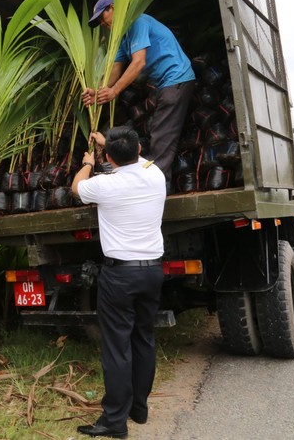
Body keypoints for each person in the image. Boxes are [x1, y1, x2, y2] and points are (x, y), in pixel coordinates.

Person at [71, 127, 166, 438]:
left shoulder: (103, 185)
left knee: (117, 348)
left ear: (109, 157)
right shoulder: (156, 175)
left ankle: (114, 420)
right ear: (139, 150)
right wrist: (109, 148)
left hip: (120, 275)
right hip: (152, 271)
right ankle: (139, 408)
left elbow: (76, 188)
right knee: (143, 339)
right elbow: (134, 164)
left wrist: (88, 161)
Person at [84, 0, 196, 191]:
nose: (103, 23)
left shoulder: (137, 22)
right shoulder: (122, 36)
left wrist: (115, 91)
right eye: (100, 22)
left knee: (161, 138)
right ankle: (156, 186)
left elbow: (138, 62)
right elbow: (116, 69)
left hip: (176, 79)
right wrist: (97, 91)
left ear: (113, 7)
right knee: (159, 133)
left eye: (103, 17)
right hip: (165, 84)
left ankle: (157, 192)